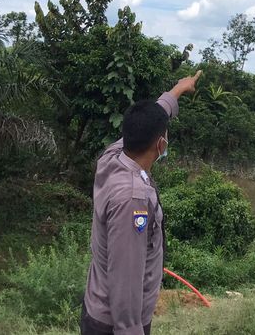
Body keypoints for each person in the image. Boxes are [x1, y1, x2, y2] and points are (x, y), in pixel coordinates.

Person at [81, 71, 202, 335]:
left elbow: (153, 117)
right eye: (166, 136)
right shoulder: (132, 199)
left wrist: (178, 89)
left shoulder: (112, 156)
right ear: (161, 144)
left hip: (99, 310)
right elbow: (125, 281)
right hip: (115, 325)